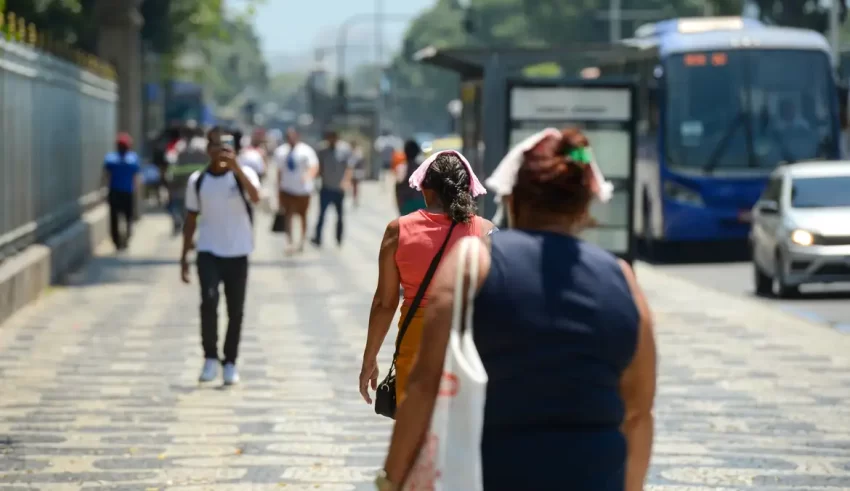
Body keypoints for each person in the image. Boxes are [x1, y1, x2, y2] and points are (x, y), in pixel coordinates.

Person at [376, 128, 657, 491]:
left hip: (494, 473)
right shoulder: (623, 280)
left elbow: (424, 387)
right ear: (585, 206)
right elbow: (638, 414)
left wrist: (390, 480)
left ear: (512, 199)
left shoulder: (473, 265)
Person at [359, 149, 494, 407]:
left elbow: (384, 303)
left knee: (416, 434)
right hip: (467, 346)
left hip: (416, 345)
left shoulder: (397, 231)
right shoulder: (486, 231)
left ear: (426, 190)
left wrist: (370, 359)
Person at [180, 127, 261, 386]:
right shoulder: (198, 180)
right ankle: (210, 358)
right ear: (208, 150)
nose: (220, 151)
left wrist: (236, 168)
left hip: (238, 252)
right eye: (215, 146)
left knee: (235, 310)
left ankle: (230, 362)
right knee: (209, 301)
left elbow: (256, 197)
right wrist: (184, 256)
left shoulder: (243, 174)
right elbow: (190, 218)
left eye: (225, 146)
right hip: (208, 251)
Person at [274, 128, 319, 253]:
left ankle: (302, 240)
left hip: (303, 191)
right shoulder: (281, 151)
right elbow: (279, 171)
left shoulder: (306, 151)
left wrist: (308, 176)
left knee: (303, 216)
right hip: (287, 189)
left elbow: (314, 166)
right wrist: (278, 189)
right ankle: (289, 241)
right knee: (288, 215)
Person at [312, 129, 353, 248]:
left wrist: (346, 181)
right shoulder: (322, 150)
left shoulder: (344, 149)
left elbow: (349, 168)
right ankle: (318, 238)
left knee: (340, 215)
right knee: (321, 214)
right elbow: (318, 167)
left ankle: (339, 237)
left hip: (338, 189)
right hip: (326, 187)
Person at [103, 132, 142, 251]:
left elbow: (105, 176)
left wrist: (103, 190)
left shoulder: (111, 159)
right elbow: (137, 177)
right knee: (127, 216)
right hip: (126, 192)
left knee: (116, 218)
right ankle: (124, 238)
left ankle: (117, 241)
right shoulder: (133, 158)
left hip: (116, 192)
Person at [167, 127, 208, 235]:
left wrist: (171, 180)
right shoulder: (202, 145)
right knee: (193, 209)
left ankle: (189, 232)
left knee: (187, 210)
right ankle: (191, 232)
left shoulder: (179, 146)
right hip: (195, 184)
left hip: (184, 184)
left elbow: (172, 165)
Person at [395, 140, 428, 215]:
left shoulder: (401, 168)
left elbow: (398, 187)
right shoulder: (423, 167)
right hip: (421, 205)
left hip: (406, 205)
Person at [350, 140, 366, 207]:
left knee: (356, 186)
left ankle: (355, 199)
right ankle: (354, 198)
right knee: (353, 186)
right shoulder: (349, 151)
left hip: (357, 170)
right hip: (352, 170)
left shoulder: (358, 151)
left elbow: (360, 160)